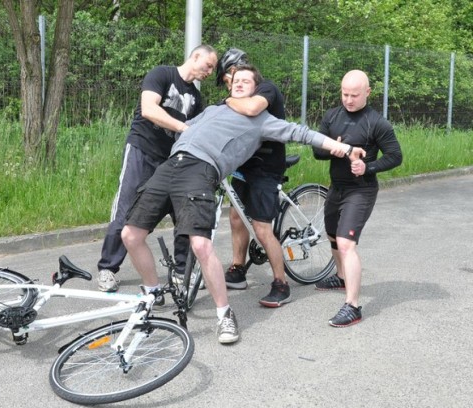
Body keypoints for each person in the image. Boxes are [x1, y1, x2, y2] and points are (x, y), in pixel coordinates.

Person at [121, 65, 366, 344]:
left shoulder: (262, 120)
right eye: (235, 81)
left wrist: (344, 149)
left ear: (255, 89)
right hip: (172, 164)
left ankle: (225, 314)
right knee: (130, 235)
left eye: (246, 81)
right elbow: (183, 128)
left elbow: (303, 133)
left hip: (202, 169)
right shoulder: (213, 109)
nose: (239, 84)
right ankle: (152, 293)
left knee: (200, 244)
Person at [96, 45, 219, 295]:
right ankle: (108, 268)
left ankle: (180, 271)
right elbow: (149, 109)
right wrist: (184, 129)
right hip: (142, 150)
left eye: (213, 69)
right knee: (127, 209)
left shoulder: (196, 98)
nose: (210, 71)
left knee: (183, 212)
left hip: (170, 160)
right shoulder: (161, 74)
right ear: (196, 56)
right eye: (209, 65)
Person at [313, 69, 402, 327]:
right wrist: (335, 148)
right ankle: (340, 277)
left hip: (361, 189)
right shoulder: (332, 116)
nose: (348, 100)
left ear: (367, 93)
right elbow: (317, 152)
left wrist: (368, 167)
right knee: (331, 234)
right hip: (337, 187)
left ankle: (352, 306)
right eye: (344, 94)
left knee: (345, 242)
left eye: (354, 95)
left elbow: (396, 156)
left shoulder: (377, 122)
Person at [215, 48, 292, 309]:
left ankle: (281, 283)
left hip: (266, 167)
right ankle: (238, 269)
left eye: (229, 79)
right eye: (229, 83)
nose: (230, 86)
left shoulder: (265, 89)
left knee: (261, 228)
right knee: (236, 216)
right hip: (244, 167)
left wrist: (227, 102)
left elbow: (251, 108)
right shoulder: (235, 97)